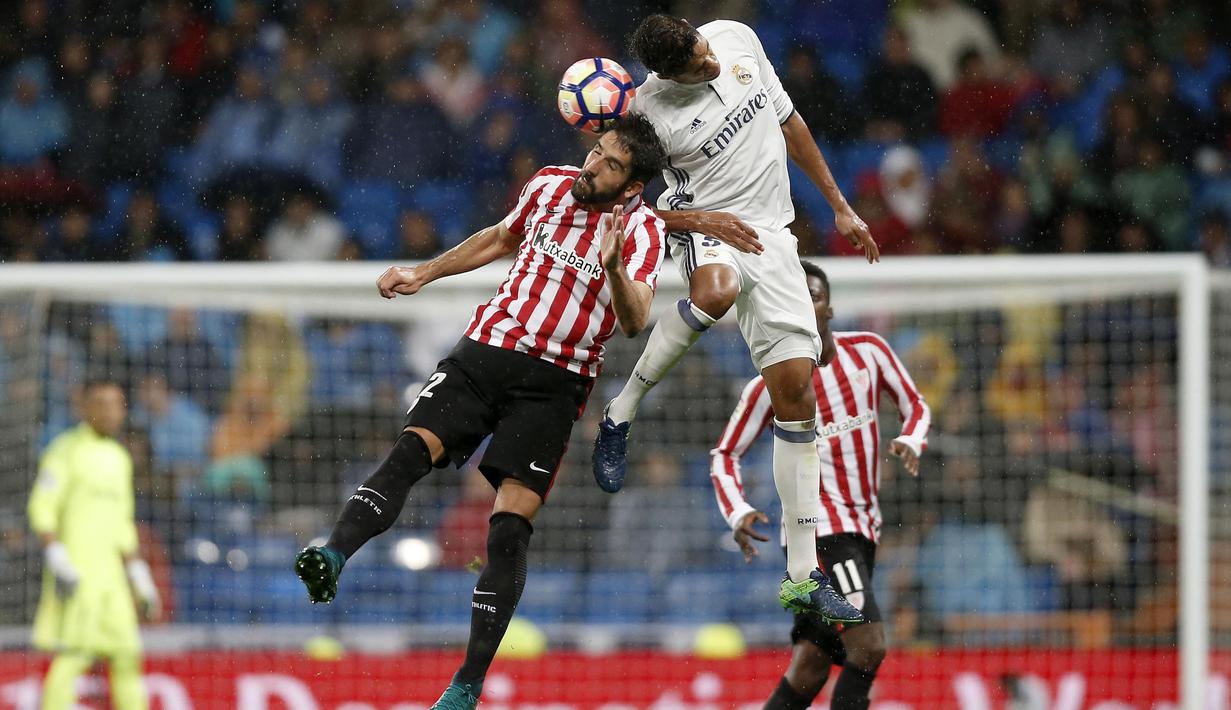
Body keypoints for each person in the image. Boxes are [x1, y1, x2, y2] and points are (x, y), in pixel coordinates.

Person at [294, 113, 668, 710]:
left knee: (508, 531)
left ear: (632, 187)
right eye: (596, 152)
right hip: (488, 349)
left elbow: (633, 320)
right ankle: (334, 553)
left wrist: (617, 264)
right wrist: (426, 272)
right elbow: (499, 238)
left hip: (556, 382)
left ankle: (467, 683)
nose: (593, 165)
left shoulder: (645, 233)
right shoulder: (548, 183)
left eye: (611, 166)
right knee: (410, 450)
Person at [592, 14, 877, 624]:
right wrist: (702, 221)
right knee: (716, 292)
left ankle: (802, 576)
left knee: (798, 395)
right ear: (667, 76)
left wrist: (840, 206)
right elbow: (626, 208)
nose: (710, 62)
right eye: (696, 66)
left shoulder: (735, 38)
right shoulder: (647, 117)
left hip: (772, 235)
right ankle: (623, 409)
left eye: (702, 48)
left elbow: (790, 123)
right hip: (708, 227)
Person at [710, 262, 931, 710]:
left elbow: (916, 405)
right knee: (869, 644)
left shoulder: (869, 352)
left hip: (863, 529)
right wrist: (737, 509)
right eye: (795, 297)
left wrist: (910, 437)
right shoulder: (769, 384)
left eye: (813, 295)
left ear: (829, 306)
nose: (805, 305)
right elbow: (724, 455)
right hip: (819, 535)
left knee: (811, 665)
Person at [28, 380, 162, 710]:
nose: (110, 411)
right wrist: (58, 556)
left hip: (113, 581)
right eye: (101, 403)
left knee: (128, 656)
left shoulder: (120, 458)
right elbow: (41, 506)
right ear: (85, 407)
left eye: (116, 404)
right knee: (73, 655)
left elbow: (123, 525)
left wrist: (139, 575)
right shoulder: (65, 450)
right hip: (77, 574)